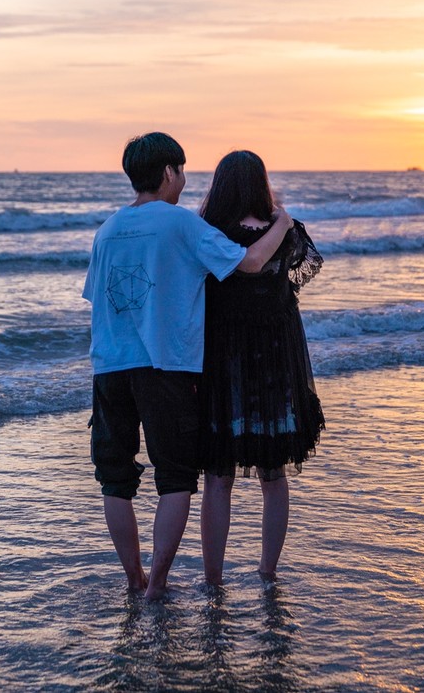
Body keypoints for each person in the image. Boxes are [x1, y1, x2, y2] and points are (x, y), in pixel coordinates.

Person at [83, 132, 292, 601]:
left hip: (109, 366)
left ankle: (132, 578)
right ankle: (157, 583)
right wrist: (283, 222)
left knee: (115, 480)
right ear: (168, 173)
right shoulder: (180, 224)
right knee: (174, 478)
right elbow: (251, 262)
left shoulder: (108, 229)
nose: (184, 179)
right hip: (165, 365)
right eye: (182, 170)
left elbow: (97, 298)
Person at [197, 150, 324, 587]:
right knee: (274, 472)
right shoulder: (285, 230)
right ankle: (267, 571)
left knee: (218, 476)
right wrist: (283, 220)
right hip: (274, 353)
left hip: (223, 356)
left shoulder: (208, 231)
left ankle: (213, 578)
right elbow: (284, 268)